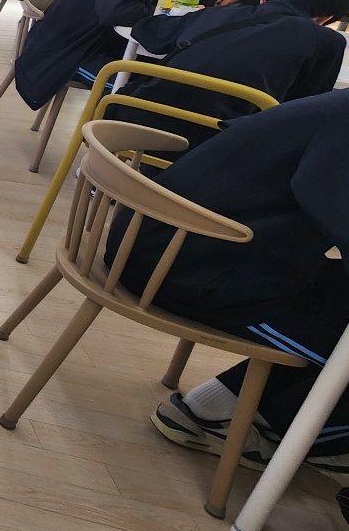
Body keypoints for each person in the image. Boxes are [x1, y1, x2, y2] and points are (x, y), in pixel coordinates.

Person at [93, 87, 349, 475]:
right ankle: (260, 426)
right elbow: (328, 201)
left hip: (163, 240)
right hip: (190, 269)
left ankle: (215, 410)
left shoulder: (334, 107)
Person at [110, 0, 349, 150]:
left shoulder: (217, 13)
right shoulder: (326, 41)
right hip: (213, 147)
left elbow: (148, 31)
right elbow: (303, 112)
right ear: (325, 18)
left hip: (132, 119)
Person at [13, 0, 264, 111]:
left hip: (84, 43)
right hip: (62, 55)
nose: (209, 5)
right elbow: (119, 11)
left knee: (163, 81)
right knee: (152, 95)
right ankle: (103, 156)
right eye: (219, 2)